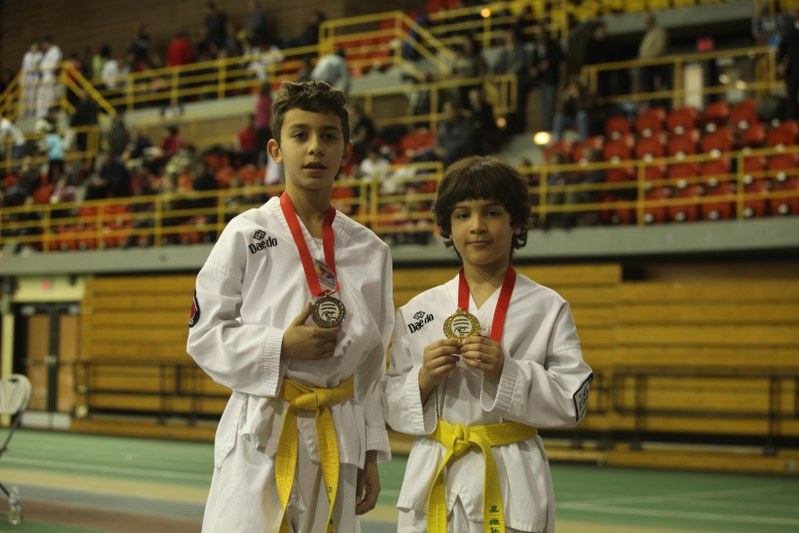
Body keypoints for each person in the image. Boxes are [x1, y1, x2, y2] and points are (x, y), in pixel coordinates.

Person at [186, 80, 394, 533]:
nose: (315, 148)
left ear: (347, 152)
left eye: (328, 136)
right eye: (301, 135)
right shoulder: (245, 234)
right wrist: (281, 344)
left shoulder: (371, 250)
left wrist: (372, 452)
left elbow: (374, 366)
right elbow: (204, 336)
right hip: (263, 426)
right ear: (276, 150)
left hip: (340, 433)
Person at [383, 155, 593, 533]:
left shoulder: (547, 307)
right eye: (462, 215)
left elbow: (571, 402)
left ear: (517, 221)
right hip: (436, 468)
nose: (477, 227)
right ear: (446, 226)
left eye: (492, 212)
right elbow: (390, 404)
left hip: (511, 472)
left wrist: (507, 371)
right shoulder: (418, 311)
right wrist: (423, 379)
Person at [778, 6, 799, 121]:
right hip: (793, 68)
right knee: (791, 96)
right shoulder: (789, 29)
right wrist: (780, 63)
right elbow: (782, 47)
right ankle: (791, 122)